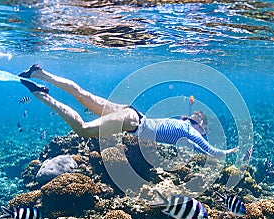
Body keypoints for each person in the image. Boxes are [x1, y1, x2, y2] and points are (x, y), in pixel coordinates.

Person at [18, 64, 239, 157]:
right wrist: (230, 152)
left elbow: (196, 148)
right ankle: (40, 93)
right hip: (131, 122)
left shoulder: (182, 126)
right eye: (204, 131)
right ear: (198, 125)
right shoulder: (190, 131)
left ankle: (39, 72)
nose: (202, 134)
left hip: (132, 113)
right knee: (83, 129)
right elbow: (208, 149)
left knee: (83, 96)